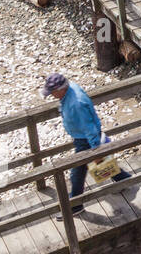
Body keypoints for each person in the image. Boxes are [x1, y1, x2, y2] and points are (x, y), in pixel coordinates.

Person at [42, 72, 130, 215]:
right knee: (101, 164)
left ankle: (75, 205)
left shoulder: (76, 104)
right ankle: (123, 180)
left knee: (77, 173)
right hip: (82, 136)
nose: (51, 96)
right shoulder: (72, 89)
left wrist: (96, 150)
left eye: (52, 92)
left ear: (61, 89)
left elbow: (89, 129)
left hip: (86, 140)